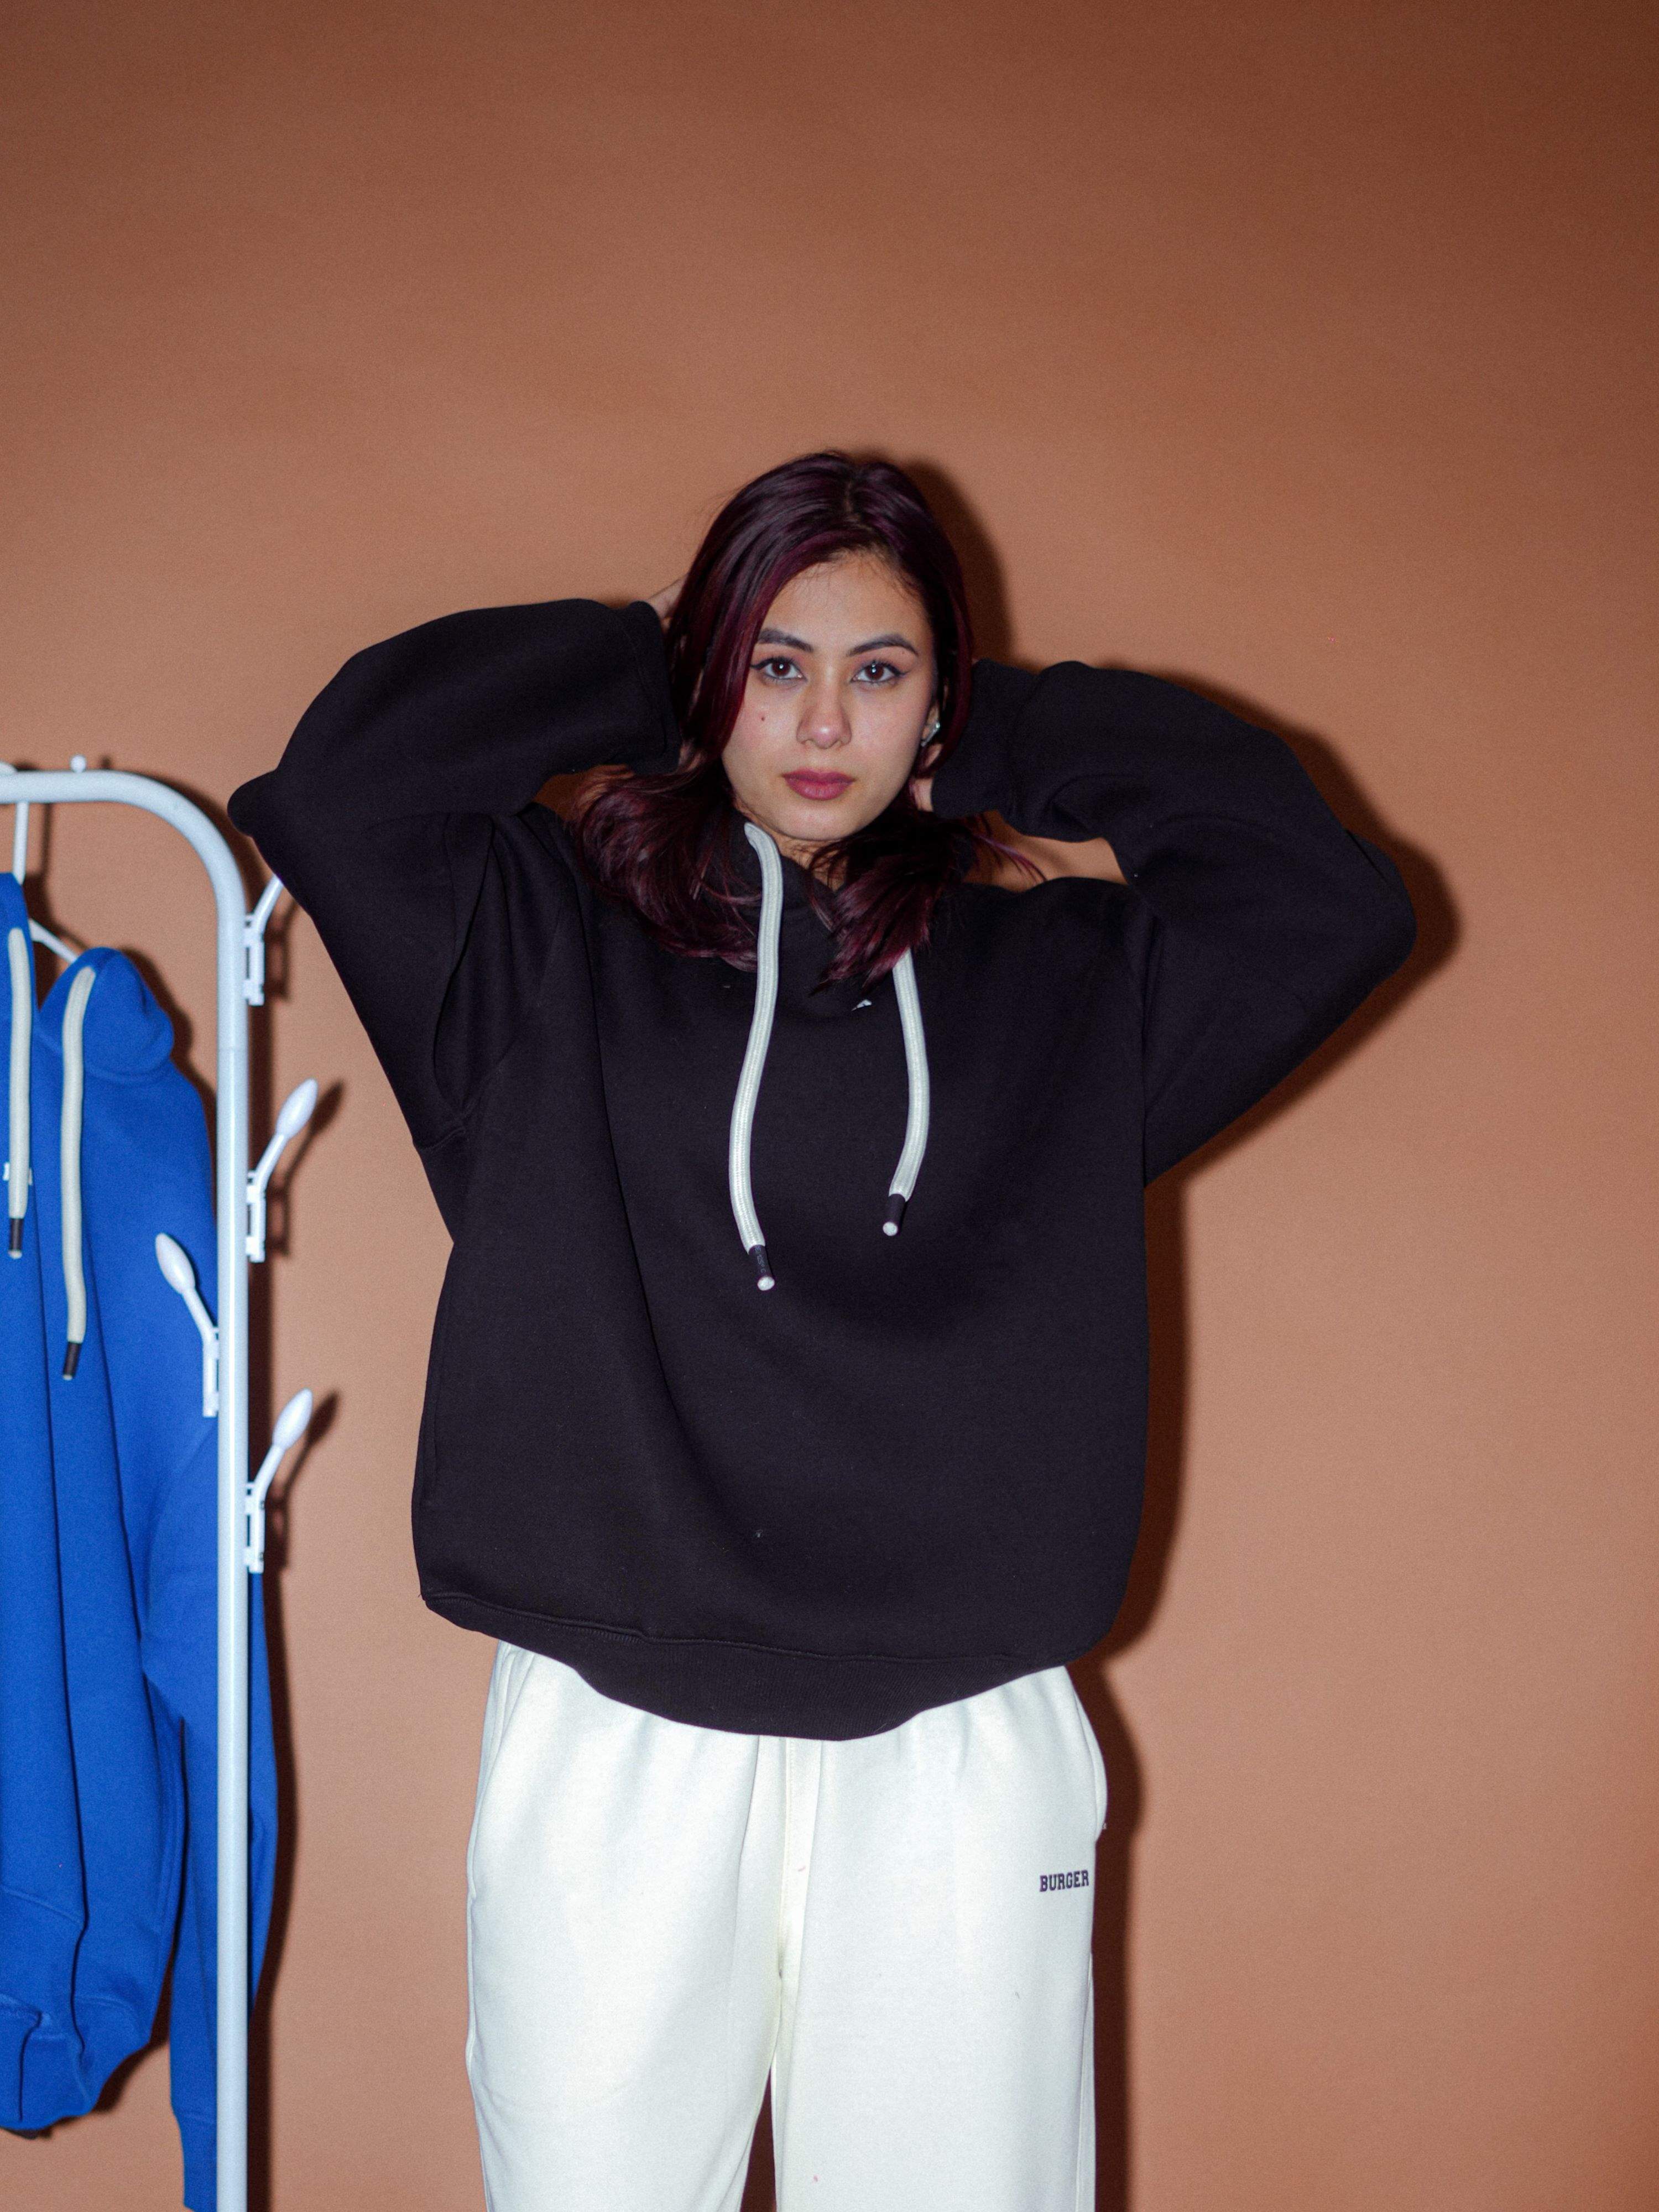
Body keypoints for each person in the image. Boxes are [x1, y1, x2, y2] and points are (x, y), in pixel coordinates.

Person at [226, 450, 1415, 2212]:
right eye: (775, 663)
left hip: (959, 1741)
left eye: (881, 670)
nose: (824, 720)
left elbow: (1326, 900)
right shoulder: (534, 957)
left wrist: (1010, 726)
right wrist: (654, 669)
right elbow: (345, 784)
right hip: (615, 1730)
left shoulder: (1065, 988)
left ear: (939, 700)